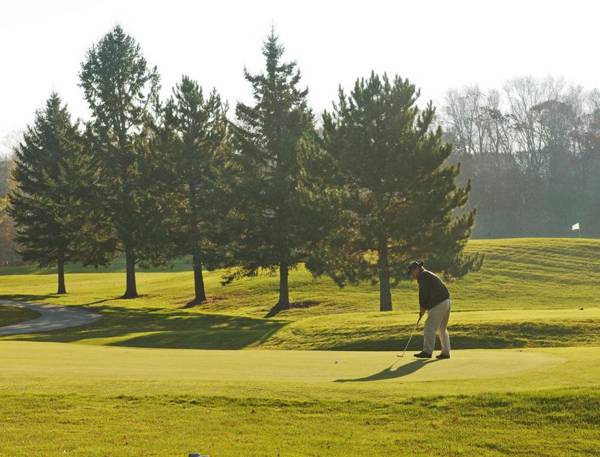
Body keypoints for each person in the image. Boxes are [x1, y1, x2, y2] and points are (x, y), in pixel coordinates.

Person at [407, 260, 451, 359]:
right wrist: (424, 307)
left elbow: (423, 293)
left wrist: (422, 308)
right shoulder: (426, 274)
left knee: (429, 327)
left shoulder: (423, 276)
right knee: (442, 328)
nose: (412, 276)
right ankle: (445, 352)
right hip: (446, 301)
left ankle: (427, 352)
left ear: (417, 269)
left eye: (412, 272)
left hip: (439, 303)